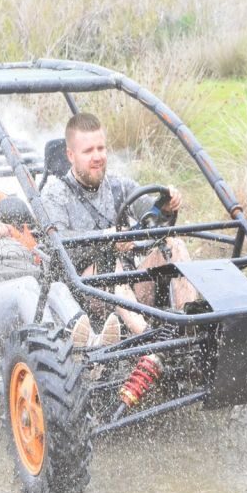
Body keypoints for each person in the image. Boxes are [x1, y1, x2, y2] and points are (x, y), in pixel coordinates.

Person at [0, 128, 120, 346]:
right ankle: (55, 349)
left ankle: (92, 343)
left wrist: (3, 229)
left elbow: (34, 253)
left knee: (56, 288)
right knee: (25, 286)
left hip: (7, 288)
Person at [41, 113, 198, 335]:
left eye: (101, 148)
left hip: (130, 286)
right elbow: (59, 244)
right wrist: (108, 238)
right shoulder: (55, 193)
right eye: (88, 151)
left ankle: (190, 328)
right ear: (70, 155)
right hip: (86, 294)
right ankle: (147, 338)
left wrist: (165, 206)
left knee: (174, 245)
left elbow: (150, 213)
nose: (97, 157)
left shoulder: (118, 185)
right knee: (111, 264)